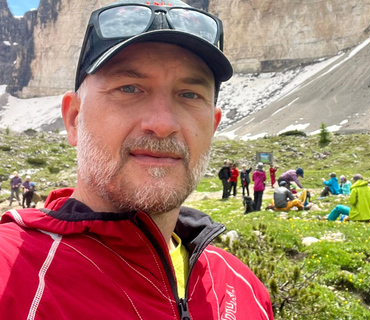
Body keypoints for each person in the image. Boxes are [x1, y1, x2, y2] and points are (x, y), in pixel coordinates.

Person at [0, 1, 274, 319]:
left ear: (212, 127)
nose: (162, 123)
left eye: (189, 94)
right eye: (129, 88)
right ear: (74, 119)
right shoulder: (9, 275)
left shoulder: (246, 289)